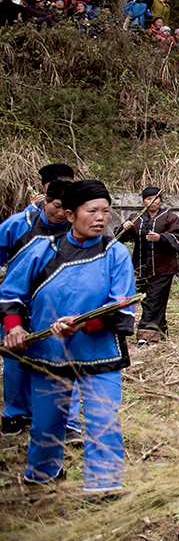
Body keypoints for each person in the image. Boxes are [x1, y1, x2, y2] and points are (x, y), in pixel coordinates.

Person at [1, 180, 135, 494]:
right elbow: (11, 294)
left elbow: (122, 310)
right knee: (46, 424)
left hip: (98, 353)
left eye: (106, 211)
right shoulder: (41, 249)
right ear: (71, 215)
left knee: (103, 422)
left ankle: (103, 488)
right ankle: (42, 479)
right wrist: (15, 327)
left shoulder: (115, 254)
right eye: (92, 211)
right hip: (48, 352)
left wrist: (83, 325)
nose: (101, 217)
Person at [0, 177, 72, 437]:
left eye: (67, 208)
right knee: (15, 364)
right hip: (16, 306)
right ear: (45, 200)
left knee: (60, 364)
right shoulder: (18, 225)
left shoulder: (77, 234)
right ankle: (15, 413)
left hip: (56, 311)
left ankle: (65, 421)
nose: (60, 213)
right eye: (55, 205)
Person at [120, 186, 179, 344]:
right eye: (148, 199)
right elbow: (120, 238)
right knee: (147, 300)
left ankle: (145, 335)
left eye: (155, 198)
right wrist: (124, 228)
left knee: (154, 299)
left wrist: (160, 238)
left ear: (160, 200)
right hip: (141, 267)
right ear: (143, 201)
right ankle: (160, 331)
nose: (152, 202)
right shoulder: (136, 217)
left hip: (163, 267)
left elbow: (178, 238)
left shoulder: (170, 217)